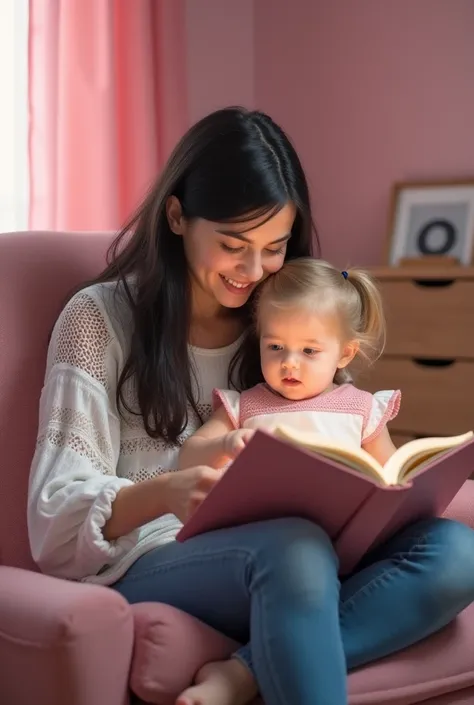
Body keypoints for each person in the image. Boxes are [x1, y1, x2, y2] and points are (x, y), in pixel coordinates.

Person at [27, 106, 474, 705]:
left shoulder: (278, 326)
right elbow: (52, 524)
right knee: (292, 550)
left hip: (304, 546)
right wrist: (167, 490)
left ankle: (245, 672)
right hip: (157, 556)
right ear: (178, 216)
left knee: (454, 552)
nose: (253, 271)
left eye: (274, 248)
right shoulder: (97, 321)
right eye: (234, 246)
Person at [178, 257, 401, 473]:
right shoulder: (245, 407)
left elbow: (394, 476)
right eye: (275, 347)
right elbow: (188, 458)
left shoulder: (362, 409)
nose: (289, 363)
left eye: (309, 351)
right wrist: (224, 445)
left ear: (345, 353)